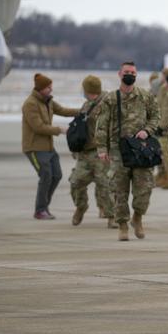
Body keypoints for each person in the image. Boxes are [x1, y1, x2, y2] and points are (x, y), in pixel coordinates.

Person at [95, 61, 160, 241]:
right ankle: (123, 224)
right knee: (119, 190)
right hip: (118, 151)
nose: (129, 74)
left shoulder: (145, 96)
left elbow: (156, 116)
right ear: (119, 74)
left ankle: (137, 217)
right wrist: (102, 149)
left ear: (136, 74)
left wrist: (146, 131)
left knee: (144, 189)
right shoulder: (110, 98)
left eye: (132, 72)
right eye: (126, 72)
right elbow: (102, 125)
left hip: (140, 150)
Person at [22, 73, 78, 219]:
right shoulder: (30, 104)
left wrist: (83, 111)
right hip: (34, 148)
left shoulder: (49, 101)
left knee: (57, 175)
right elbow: (38, 127)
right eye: (48, 87)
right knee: (46, 176)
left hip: (48, 147)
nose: (51, 90)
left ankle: (44, 206)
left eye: (51, 87)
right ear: (40, 88)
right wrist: (60, 130)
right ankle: (40, 210)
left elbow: (64, 111)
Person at [69, 75, 116, 228]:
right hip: (85, 153)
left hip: (101, 152)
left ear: (88, 90)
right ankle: (81, 207)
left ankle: (111, 216)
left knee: (105, 185)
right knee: (76, 181)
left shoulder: (107, 104)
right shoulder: (87, 104)